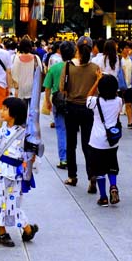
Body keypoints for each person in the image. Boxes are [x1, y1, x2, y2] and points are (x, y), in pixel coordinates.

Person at [0, 97, 38, 248]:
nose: (1, 111)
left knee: (13, 204)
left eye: (5, 109)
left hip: (15, 174)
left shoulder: (26, 134)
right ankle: (2, 233)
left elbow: (30, 156)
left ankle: (27, 228)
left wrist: (30, 159)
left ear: (15, 113)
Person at [60, 36, 99, 192]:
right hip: (88, 109)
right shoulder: (95, 68)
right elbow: (98, 89)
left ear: (76, 49)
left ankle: (72, 175)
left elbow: (63, 87)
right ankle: (91, 175)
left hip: (71, 107)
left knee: (71, 143)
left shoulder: (69, 66)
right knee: (87, 144)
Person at [86, 73, 123, 207]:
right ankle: (113, 186)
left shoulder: (95, 102)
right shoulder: (119, 101)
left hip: (97, 141)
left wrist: (97, 81)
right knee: (112, 166)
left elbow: (88, 97)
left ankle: (103, 197)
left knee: (99, 170)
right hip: (112, 141)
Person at [44, 41, 76, 170]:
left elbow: (47, 87)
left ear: (60, 53)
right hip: (73, 102)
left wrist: (47, 101)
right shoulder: (76, 67)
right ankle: (71, 156)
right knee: (71, 131)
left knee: (61, 130)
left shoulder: (54, 68)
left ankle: (63, 159)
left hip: (58, 101)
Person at [11, 38, 41, 109]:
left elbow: (14, 74)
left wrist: (16, 88)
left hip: (21, 88)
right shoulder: (36, 58)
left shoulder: (17, 59)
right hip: (33, 88)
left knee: (22, 114)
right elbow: (40, 72)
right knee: (33, 113)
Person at [119, 41, 132, 129]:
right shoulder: (119, 60)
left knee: (129, 104)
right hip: (120, 85)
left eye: (128, 48)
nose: (127, 50)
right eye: (125, 48)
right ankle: (117, 121)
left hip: (129, 85)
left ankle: (130, 122)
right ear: (121, 49)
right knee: (118, 105)